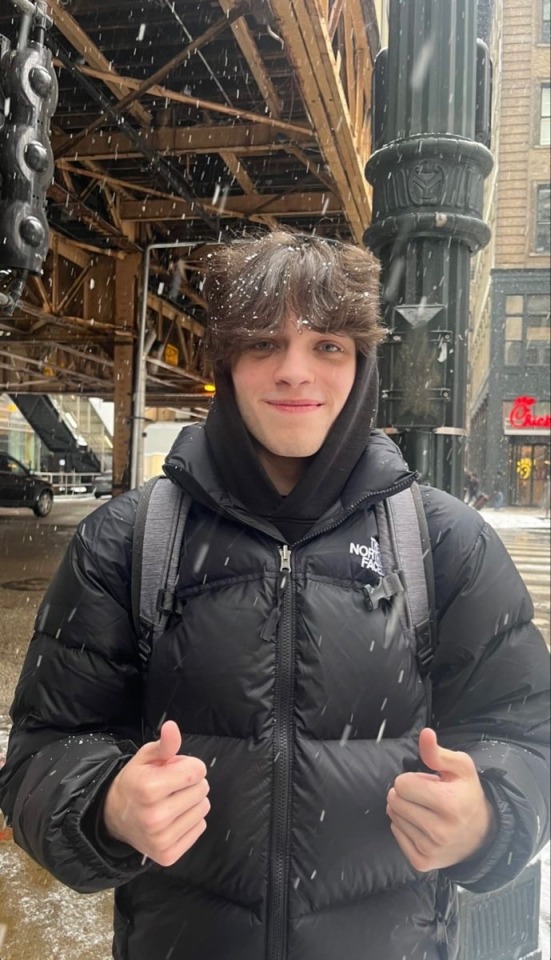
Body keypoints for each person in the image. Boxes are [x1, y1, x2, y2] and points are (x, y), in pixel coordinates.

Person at [0, 230, 549, 960]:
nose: (295, 372)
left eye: (327, 345)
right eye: (264, 343)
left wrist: (489, 816)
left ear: (361, 364)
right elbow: (42, 751)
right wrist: (105, 805)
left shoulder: (445, 544)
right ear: (226, 363)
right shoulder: (125, 541)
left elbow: (524, 737)